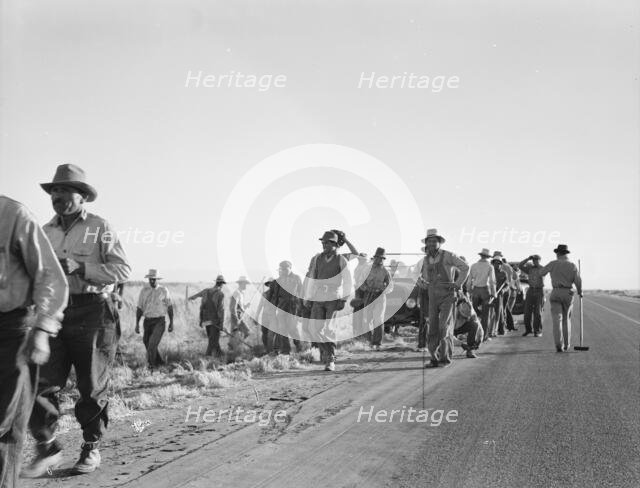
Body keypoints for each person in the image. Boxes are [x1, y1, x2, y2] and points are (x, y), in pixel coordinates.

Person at [26, 164, 131, 476]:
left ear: (82, 195)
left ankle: (91, 447)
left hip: (94, 311)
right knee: (41, 381)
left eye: (64, 190)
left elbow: (123, 270)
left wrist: (82, 267)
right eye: (54, 191)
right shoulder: (45, 232)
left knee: (90, 384)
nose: (57, 196)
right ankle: (47, 445)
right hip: (56, 312)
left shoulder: (100, 226)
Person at [0, 195, 68, 488]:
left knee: (4, 423)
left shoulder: (13, 215)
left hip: (8, 330)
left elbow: (50, 278)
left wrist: (42, 330)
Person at [417, 229, 469, 368]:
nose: (432, 243)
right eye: (430, 241)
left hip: (448, 295)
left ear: (439, 243)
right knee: (432, 327)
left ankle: (444, 359)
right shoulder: (426, 260)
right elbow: (425, 279)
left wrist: (458, 284)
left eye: (435, 241)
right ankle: (434, 358)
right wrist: (421, 283)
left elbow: (465, 267)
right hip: (432, 295)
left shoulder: (448, 255)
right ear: (426, 244)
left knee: (443, 327)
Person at [303, 231, 353, 371]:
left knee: (329, 329)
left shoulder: (341, 260)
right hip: (318, 296)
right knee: (314, 329)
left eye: (327, 242)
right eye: (323, 242)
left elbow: (348, 281)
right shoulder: (317, 258)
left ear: (334, 244)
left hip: (333, 296)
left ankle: (330, 360)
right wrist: (308, 298)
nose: (324, 245)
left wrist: (344, 299)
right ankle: (326, 354)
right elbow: (312, 278)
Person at [540, 245, 583, 352]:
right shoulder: (572, 265)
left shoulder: (553, 263)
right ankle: (566, 344)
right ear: (566, 253)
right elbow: (578, 281)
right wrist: (580, 291)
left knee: (557, 320)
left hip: (555, 292)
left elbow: (541, 273)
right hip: (568, 292)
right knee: (566, 320)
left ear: (558, 253)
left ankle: (558, 344)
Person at [135, 269, 174, 368]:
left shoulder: (163, 290)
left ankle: (151, 367)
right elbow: (139, 308)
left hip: (159, 321)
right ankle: (159, 363)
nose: (152, 281)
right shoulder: (144, 291)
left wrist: (171, 322)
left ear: (157, 279)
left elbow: (169, 307)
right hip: (147, 321)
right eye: (150, 279)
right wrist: (137, 324)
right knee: (147, 343)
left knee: (152, 345)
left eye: (154, 279)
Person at [361, 248, 393, 351]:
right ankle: (369, 342)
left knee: (378, 319)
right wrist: (366, 288)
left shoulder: (385, 271)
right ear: (374, 258)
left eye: (381, 258)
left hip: (380, 296)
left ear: (383, 259)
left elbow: (390, 286)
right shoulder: (367, 269)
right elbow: (361, 283)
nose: (379, 260)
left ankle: (377, 343)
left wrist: (383, 290)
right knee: (367, 319)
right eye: (377, 258)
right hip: (368, 295)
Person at [269, 261, 303, 355]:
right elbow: (275, 296)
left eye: (285, 268)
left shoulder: (297, 278)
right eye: (281, 269)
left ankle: (299, 347)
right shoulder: (278, 281)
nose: (283, 270)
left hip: (293, 308)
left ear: (290, 268)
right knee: (282, 329)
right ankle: (286, 351)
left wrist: (301, 310)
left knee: (293, 329)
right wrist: (273, 309)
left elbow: (301, 293)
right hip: (281, 308)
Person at [189, 275, 226, 356]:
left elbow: (195, 296)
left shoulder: (206, 291)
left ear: (216, 282)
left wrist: (191, 298)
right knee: (213, 340)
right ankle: (207, 357)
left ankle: (220, 354)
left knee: (212, 338)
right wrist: (221, 324)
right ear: (222, 284)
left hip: (205, 320)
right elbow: (221, 310)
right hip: (214, 321)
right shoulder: (220, 294)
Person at [467, 248, 497, 339]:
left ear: (481, 256)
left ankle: (474, 334)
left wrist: (469, 290)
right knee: (485, 315)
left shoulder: (473, 265)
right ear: (487, 257)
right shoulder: (489, 266)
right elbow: (492, 281)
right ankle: (484, 336)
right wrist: (494, 293)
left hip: (475, 290)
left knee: (474, 314)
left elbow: (469, 280)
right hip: (485, 290)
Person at [518, 255, 546, 337]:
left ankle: (537, 331)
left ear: (540, 260)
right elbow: (520, 265)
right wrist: (527, 259)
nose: (535, 261)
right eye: (533, 260)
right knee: (527, 312)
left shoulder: (543, 268)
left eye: (536, 260)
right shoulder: (530, 268)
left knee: (537, 312)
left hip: (539, 290)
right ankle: (528, 330)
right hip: (530, 290)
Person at [490, 252, 510, 336]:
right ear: (493, 263)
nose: (497, 265)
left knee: (499, 313)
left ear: (501, 264)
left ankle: (496, 330)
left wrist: (503, 290)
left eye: (499, 263)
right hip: (490, 294)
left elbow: (507, 285)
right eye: (495, 263)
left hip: (499, 295)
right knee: (490, 313)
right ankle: (489, 330)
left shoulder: (503, 273)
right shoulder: (490, 272)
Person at [256, 278, 276, 354]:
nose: (271, 285)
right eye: (270, 284)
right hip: (265, 316)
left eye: (272, 284)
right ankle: (267, 350)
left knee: (270, 335)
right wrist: (257, 315)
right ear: (268, 285)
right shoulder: (264, 294)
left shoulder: (277, 295)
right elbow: (260, 305)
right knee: (264, 334)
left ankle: (271, 351)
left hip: (273, 317)